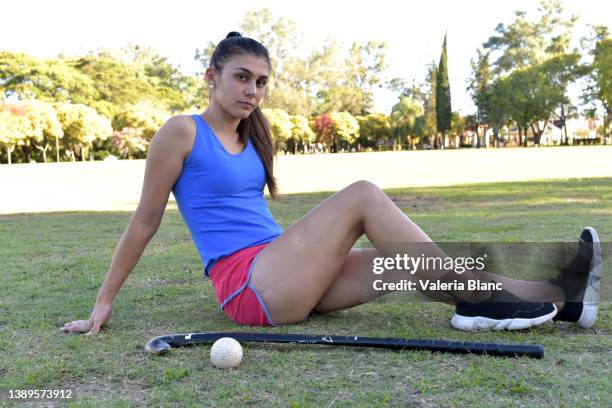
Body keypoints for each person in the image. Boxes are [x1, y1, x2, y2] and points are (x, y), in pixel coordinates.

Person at [62, 32, 603, 335]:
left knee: (402, 264)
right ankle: (496, 304)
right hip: (249, 285)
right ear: (212, 76)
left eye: (261, 82)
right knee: (363, 194)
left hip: (282, 267)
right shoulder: (182, 132)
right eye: (241, 77)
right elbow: (145, 221)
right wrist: (103, 303)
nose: (253, 90)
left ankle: (563, 297)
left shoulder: (253, 135)